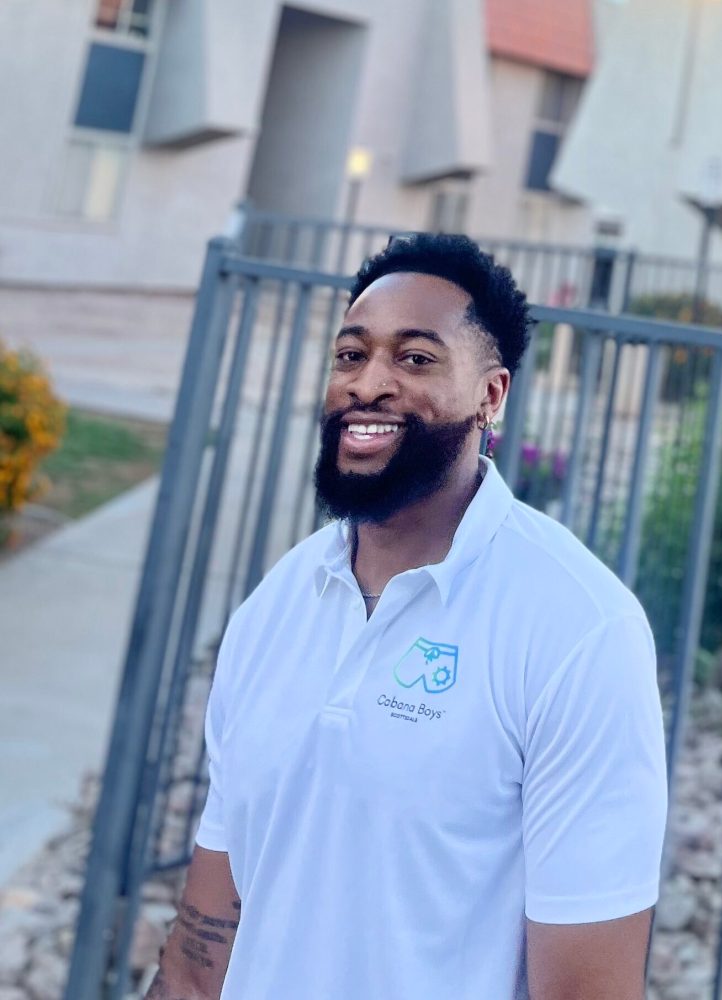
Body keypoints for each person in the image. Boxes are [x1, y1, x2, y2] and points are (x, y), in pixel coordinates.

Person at [147, 233, 668, 1000]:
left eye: (416, 359)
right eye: (351, 355)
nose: (369, 384)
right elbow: (200, 955)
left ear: (492, 395)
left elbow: (588, 990)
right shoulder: (276, 606)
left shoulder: (578, 629)